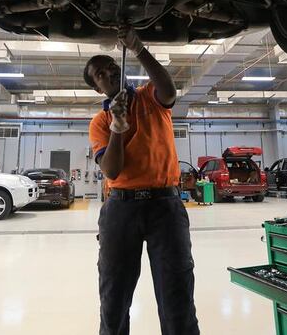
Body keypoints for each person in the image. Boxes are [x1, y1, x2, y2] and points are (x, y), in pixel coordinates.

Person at [85, 26, 200, 335]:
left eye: (110, 66)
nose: (108, 72)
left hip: (166, 206)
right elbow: (111, 170)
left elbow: (169, 89)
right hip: (121, 210)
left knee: (177, 295)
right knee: (114, 299)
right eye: (99, 74)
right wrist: (117, 129)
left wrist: (138, 48)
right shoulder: (100, 122)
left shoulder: (151, 97)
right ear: (97, 88)